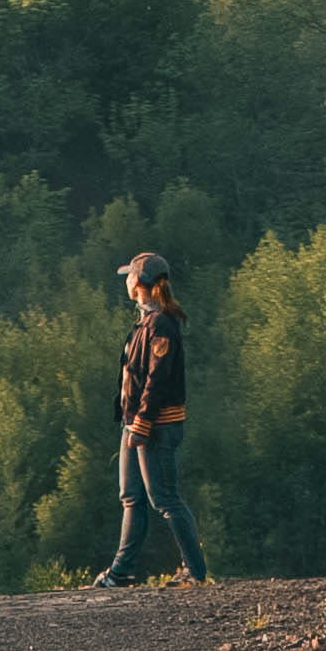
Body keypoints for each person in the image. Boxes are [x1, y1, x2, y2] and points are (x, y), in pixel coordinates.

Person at [92, 251, 209, 586]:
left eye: (130, 275)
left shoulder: (161, 325)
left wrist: (142, 424)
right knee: (132, 497)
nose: (126, 280)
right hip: (136, 423)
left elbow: (156, 380)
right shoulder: (147, 322)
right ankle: (122, 571)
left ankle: (195, 571)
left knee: (165, 499)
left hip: (156, 425)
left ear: (139, 283)